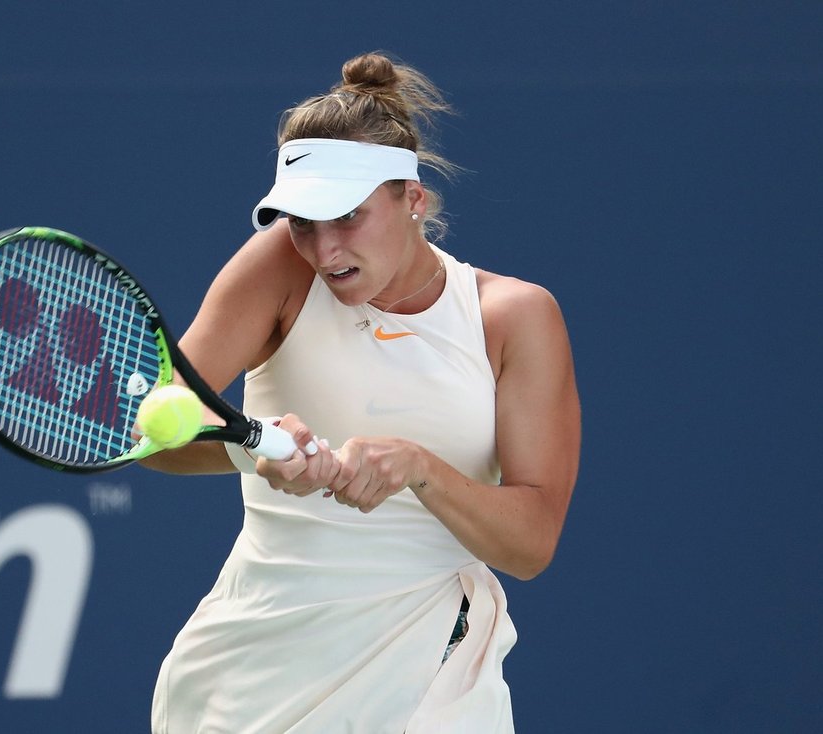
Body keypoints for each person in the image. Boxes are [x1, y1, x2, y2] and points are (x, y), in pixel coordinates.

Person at [145, 51, 581, 733]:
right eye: (302, 222)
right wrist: (250, 449)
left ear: (413, 200)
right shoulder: (277, 270)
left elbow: (530, 545)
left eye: (347, 217)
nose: (323, 250)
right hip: (251, 682)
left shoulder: (514, 318)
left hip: (434, 681)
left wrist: (420, 470)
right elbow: (151, 429)